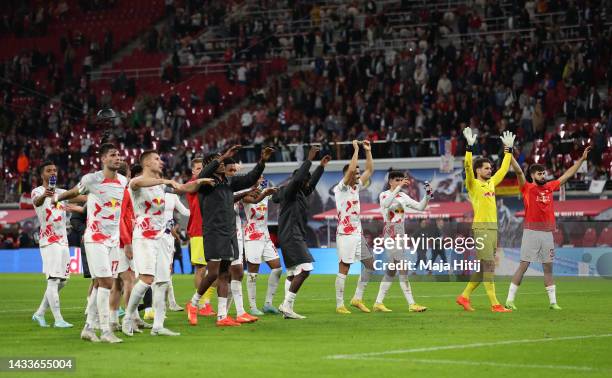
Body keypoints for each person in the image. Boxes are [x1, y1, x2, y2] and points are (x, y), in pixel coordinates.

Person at [122, 150, 213, 337]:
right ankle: (128, 317)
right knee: (147, 279)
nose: (160, 161)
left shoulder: (160, 187)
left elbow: (184, 188)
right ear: (146, 163)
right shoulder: (136, 182)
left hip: (163, 237)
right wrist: (165, 181)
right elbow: (137, 183)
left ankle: (158, 326)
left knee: (162, 282)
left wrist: (200, 182)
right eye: (156, 158)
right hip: (144, 236)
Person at [186, 145, 274, 327]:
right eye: (218, 161)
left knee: (225, 274)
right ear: (209, 165)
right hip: (214, 232)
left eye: (222, 160)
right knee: (213, 273)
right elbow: (207, 171)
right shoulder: (204, 183)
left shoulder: (227, 182)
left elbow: (250, 178)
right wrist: (224, 155)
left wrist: (262, 161)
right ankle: (193, 303)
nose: (222, 163)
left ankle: (222, 316)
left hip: (229, 232)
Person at [54, 143, 127, 343]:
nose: (117, 157)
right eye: (113, 155)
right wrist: (58, 198)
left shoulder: (123, 180)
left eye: (119, 154)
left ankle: (88, 328)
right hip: (95, 238)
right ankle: (104, 331)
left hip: (113, 240)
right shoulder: (91, 179)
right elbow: (74, 191)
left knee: (99, 283)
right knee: (106, 282)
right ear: (103, 159)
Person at [506, 146, 591, 310]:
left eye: (544, 173)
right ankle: (510, 300)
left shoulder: (550, 186)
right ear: (532, 176)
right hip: (531, 232)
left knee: (548, 268)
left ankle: (553, 303)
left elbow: (568, 174)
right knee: (524, 265)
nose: (543, 176)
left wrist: (581, 160)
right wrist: (509, 155)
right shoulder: (527, 188)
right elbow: (518, 172)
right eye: (539, 173)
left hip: (547, 234)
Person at [456, 129, 515, 313]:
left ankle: (464, 297)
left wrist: (509, 150)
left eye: (491, 168)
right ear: (478, 170)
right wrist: (469, 147)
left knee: (483, 268)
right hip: (481, 228)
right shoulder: (473, 184)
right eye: (487, 168)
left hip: (492, 228)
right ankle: (495, 304)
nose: (490, 170)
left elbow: (504, 169)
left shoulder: (491, 183)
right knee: (489, 265)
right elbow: (467, 166)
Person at [276, 146, 331, 319]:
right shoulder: (290, 191)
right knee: (306, 269)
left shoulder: (299, 192)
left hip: (291, 234)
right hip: (291, 235)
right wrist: (309, 158)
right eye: (304, 181)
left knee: (292, 273)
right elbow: (300, 178)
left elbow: (311, 184)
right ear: (300, 181)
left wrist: (320, 167)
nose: (308, 185)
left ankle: (287, 310)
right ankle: (287, 305)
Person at [31, 161, 81, 328]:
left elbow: (79, 196)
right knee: (53, 280)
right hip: (48, 240)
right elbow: (37, 202)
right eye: (48, 170)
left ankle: (39, 313)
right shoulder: (37, 192)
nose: (53, 173)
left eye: (54, 170)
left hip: (63, 240)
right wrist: (46, 194)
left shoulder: (62, 193)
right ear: (42, 174)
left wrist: (98, 194)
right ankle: (58, 319)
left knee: (63, 281)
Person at [373, 171, 432, 313]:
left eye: (401, 180)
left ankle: (378, 303)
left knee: (391, 271)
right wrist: (399, 188)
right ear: (390, 182)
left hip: (400, 233)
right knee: (403, 267)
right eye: (397, 180)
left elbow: (420, 207)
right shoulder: (384, 195)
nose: (400, 182)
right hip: (390, 232)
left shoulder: (403, 196)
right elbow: (386, 204)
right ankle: (411, 304)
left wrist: (427, 196)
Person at [333, 140, 375, 314]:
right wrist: (356, 150)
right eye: (355, 174)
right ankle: (339, 304)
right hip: (345, 234)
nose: (358, 176)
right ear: (347, 175)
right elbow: (351, 169)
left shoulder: (355, 187)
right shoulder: (340, 188)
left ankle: (357, 298)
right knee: (345, 268)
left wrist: (368, 151)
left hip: (358, 234)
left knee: (370, 265)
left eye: (358, 174)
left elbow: (370, 170)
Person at [224, 159, 260, 324]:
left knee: (236, 273)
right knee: (222, 274)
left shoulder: (234, 187)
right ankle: (196, 303)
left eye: (234, 172)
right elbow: (228, 200)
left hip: (237, 231)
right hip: (222, 233)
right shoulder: (218, 187)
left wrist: (259, 193)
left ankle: (235, 312)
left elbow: (249, 199)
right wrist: (246, 193)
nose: (233, 175)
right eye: (230, 171)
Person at [242, 176, 281, 316]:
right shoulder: (245, 193)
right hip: (252, 237)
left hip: (265, 236)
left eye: (262, 177)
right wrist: (265, 193)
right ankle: (252, 306)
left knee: (277, 268)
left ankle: (268, 304)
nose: (262, 179)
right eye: (259, 177)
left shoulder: (265, 191)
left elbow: (277, 195)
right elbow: (254, 200)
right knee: (253, 272)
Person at [185, 157, 216, 317]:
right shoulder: (193, 184)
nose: (200, 171)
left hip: (212, 230)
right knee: (201, 269)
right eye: (197, 169)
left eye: (202, 168)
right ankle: (203, 304)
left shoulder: (209, 183)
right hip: (198, 231)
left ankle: (200, 302)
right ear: (193, 171)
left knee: (216, 270)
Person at [163, 186, 190, 311]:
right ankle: (150, 306)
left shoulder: (172, 197)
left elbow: (186, 212)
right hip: (158, 238)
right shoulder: (168, 196)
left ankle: (170, 303)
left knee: (167, 272)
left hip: (167, 238)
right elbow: (186, 212)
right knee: (159, 274)